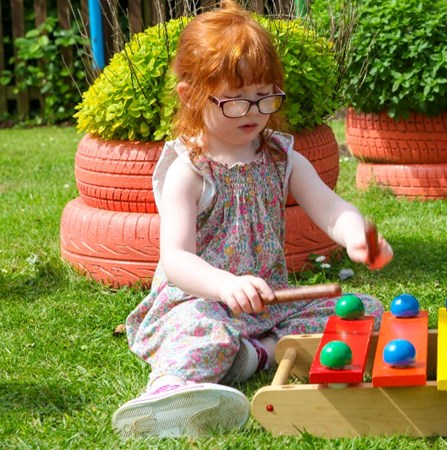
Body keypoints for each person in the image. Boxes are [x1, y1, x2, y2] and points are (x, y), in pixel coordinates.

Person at [112, 0, 393, 439]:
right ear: (190, 96)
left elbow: (330, 207)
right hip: (201, 302)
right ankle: (170, 389)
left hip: (272, 303)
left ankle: (257, 353)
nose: (254, 111)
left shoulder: (281, 156)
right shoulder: (190, 170)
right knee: (200, 333)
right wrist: (224, 284)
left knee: (363, 312)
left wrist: (358, 235)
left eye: (264, 96)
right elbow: (176, 259)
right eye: (236, 101)